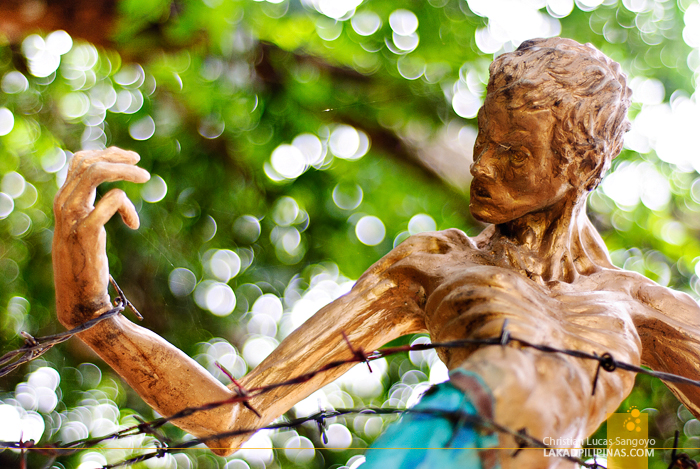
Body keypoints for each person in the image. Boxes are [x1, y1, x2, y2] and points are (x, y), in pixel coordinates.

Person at [51, 37, 700, 468]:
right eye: (483, 138)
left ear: (582, 168)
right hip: (435, 450)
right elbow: (229, 417)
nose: (480, 165)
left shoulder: (639, 306)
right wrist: (90, 311)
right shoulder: (434, 265)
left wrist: (635, 452)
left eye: (513, 154)